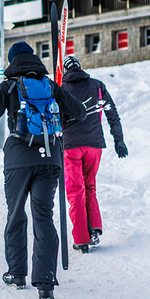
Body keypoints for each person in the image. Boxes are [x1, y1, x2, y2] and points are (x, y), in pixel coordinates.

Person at [0, 41, 86, 299]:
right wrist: (57, 120)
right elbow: (79, 111)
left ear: (12, 61)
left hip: (18, 160)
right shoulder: (50, 85)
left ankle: (17, 273)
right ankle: (46, 285)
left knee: (16, 214)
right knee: (44, 217)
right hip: (50, 157)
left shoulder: (9, 86)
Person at [59, 55, 128, 253]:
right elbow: (111, 113)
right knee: (90, 186)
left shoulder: (61, 89)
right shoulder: (97, 86)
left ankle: (81, 239)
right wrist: (119, 139)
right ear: (80, 67)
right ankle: (94, 229)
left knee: (75, 190)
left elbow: (57, 117)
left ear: (65, 70)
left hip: (71, 145)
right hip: (94, 145)